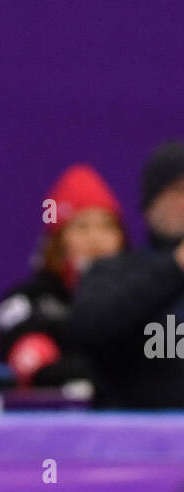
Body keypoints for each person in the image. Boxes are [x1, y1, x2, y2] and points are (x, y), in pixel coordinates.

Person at [69, 141, 184, 408]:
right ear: (150, 206)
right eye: (179, 191)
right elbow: (88, 330)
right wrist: (176, 266)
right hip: (133, 442)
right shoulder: (114, 272)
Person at [0, 164, 127, 390]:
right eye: (81, 227)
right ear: (58, 241)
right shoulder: (27, 302)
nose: (96, 239)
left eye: (107, 226)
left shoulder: (141, 300)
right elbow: (34, 367)